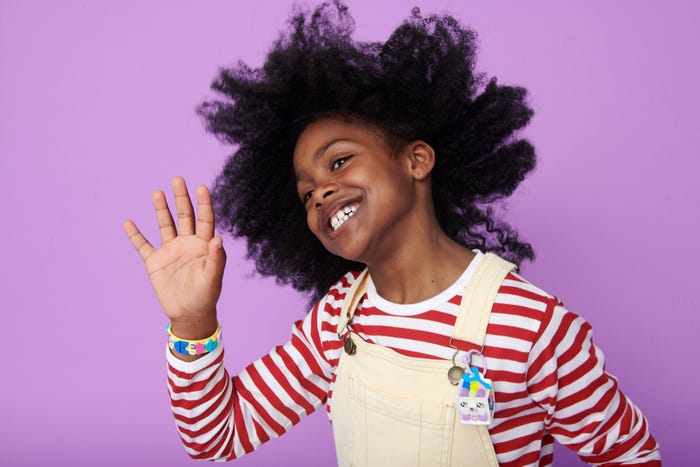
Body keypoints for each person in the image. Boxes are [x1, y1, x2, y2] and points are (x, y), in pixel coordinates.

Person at [124, 2, 661, 465]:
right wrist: (192, 323)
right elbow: (217, 437)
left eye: (339, 161)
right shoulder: (337, 320)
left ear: (416, 160)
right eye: (306, 194)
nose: (320, 193)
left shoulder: (531, 326)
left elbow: (632, 455)